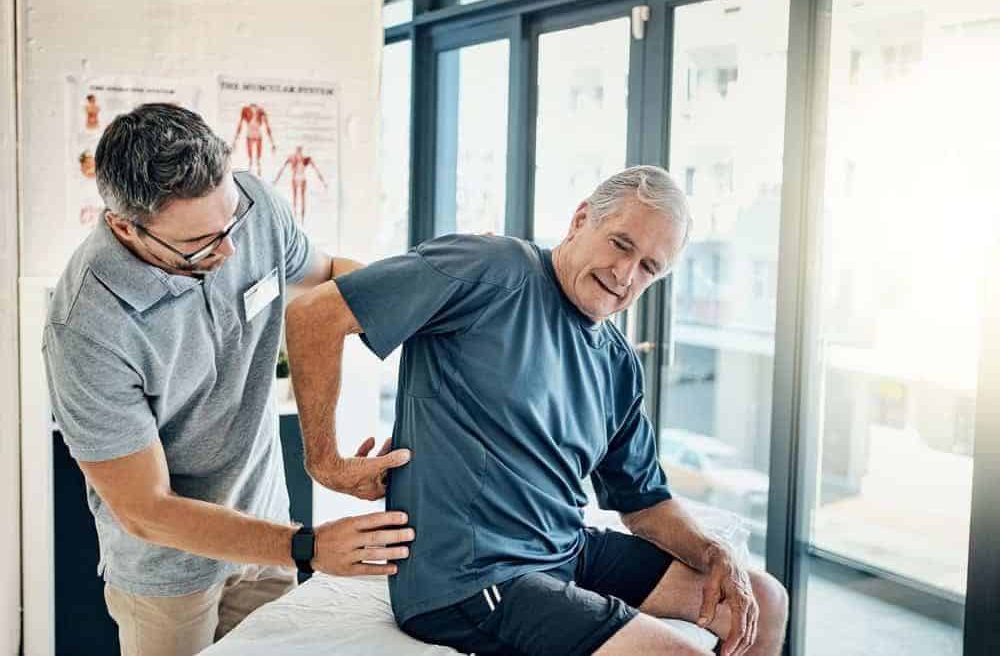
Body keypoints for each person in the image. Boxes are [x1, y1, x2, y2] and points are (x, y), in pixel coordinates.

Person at [285, 166, 788, 656]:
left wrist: (713, 553)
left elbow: (644, 504)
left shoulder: (616, 360)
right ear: (580, 219)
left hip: (565, 549)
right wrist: (325, 462)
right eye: (621, 244)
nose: (625, 274)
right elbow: (315, 314)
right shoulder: (487, 266)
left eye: (648, 268)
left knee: (765, 600)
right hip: (469, 576)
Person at [43, 103, 413, 656]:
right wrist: (307, 547)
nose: (232, 250)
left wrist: (425, 308)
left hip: (267, 527)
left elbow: (331, 279)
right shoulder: (88, 326)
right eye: (200, 244)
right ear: (125, 226)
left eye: (231, 221)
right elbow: (147, 510)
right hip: (168, 570)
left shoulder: (252, 208)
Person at [274, 146, 328, 224]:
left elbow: (317, 171)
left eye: (300, 152)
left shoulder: (306, 159)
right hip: (295, 178)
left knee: (302, 199)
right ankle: (295, 219)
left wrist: (323, 182)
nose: (299, 154)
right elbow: (282, 169)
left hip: (302, 179)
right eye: (298, 152)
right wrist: (276, 181)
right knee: (295, 199)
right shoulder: (292, 159)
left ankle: (302, 221)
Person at [232, 102, 276, 176]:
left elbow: (267, 127)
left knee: (257, 160)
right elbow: (240, 125)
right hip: (251, 134)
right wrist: (235, 141)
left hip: (257, 135)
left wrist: (272, 143)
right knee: (252, 160)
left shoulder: (260, 111)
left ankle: (258, 176)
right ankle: (252, 175)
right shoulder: (246, 110)